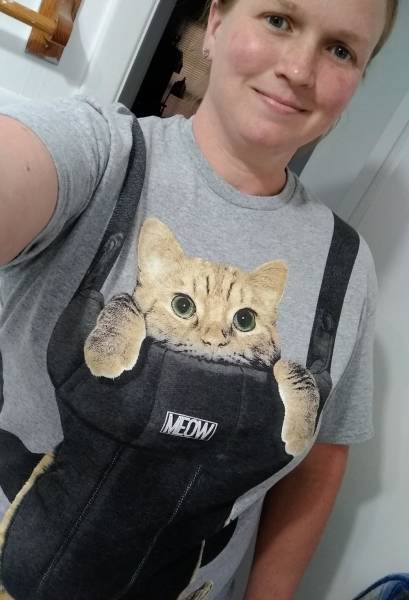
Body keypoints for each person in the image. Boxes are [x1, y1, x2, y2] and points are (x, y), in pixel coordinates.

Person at [0, 0, 399, 599]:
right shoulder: (103, 154)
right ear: (214, 24)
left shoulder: (348, 266)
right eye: (279, 20)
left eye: (340, 50)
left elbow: (321, 456)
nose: (299, 69)